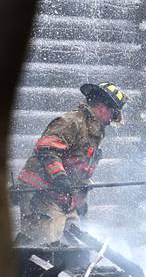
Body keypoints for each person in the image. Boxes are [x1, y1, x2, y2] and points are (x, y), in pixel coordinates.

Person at [15, 82, 128, 245]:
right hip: (42, 193)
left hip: (64, 197)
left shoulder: (94, 132)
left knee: (75, 245)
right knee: (45, 250)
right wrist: (60, 177)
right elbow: (48, 149)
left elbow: (80, 171)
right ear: (102, 108)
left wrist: (80, 201)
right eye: (113, 113)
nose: (112, 120)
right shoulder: (72, 122)